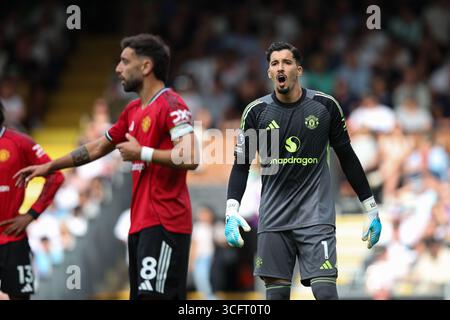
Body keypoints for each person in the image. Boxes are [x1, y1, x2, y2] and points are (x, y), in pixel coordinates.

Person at [14, 34, 199, 300]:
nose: (118, 68)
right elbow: (97, 147)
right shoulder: (133, 110)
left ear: (146, 66)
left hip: (165, 224)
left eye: (125, 61)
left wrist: (142, 153)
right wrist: (51, 166)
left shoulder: (171, 104)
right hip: (141, 226)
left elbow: (190, 156)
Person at [224, 42, 382, 300]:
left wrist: (371, 208)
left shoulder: (325, 106)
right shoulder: (256, 112)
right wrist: (231, 211)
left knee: (326, 293)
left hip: (316, 217)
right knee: (276, 297)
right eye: (274, 63)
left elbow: (348, 158)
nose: (280, 68)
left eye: (286, 62)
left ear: (298, 70)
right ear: (269, 73)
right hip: (274, 219)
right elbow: (241, 164)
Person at [0, 101, 64, 299]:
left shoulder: (19, 143)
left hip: (12, 237)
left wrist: (31, 214)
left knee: (20, 296)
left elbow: (56, 176)